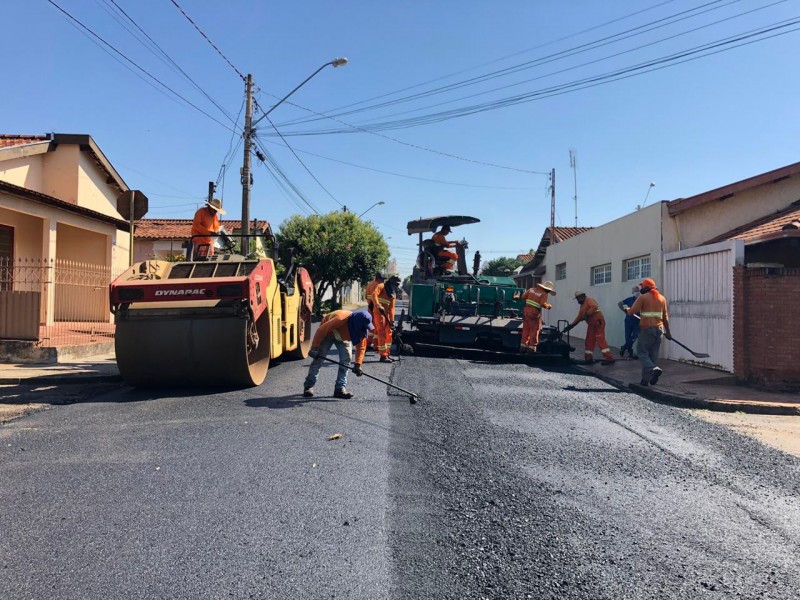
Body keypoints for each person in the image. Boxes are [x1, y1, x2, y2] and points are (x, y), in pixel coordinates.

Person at [303, 309, 374, 399]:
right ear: (357, 323)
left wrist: (358, 364)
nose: (365, 329)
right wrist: (314, 348)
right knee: (319, 359)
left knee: (346, 361)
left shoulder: (362, 329)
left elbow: (361, 347)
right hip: (328, 333)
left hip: (342, 338)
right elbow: (321, 330)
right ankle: (308, 386)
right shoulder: (341, 319)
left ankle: (340, 389)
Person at [625, 277, 671, 386]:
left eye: (642, 286)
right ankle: (645, 380)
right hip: (659, 330)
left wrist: (626, 309)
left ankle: (653, 368)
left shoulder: (643, 298)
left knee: (641, 352)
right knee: (653, 355)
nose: (641, 288)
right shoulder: (662, 298)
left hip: (646, 330)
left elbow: (632, 311)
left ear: (646, 287)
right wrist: (668, 332)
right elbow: (665, 318)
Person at [563, 291, 616, 364]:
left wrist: (587, 314)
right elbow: (579, 317)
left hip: (598, 323)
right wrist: (571, 326)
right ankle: (588, 358)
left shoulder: (589, 300)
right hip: (591, 325)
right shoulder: (582, 306)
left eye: (578, 298)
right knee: (589, 341)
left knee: (600, 340)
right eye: (577, 299)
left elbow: (594, 306)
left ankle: (609, 359)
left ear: (582, 296)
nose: (578, 300)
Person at [371, 275, 401, 363]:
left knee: (389, 333)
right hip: (379, 313)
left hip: (386, 314)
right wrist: (378, 305)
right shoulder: (381, 286)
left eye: (397, 285)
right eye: (395, 284)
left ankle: (387, 354)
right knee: (382, 332)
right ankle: (383, 356)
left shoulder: (393, 294)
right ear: (391, 282)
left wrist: (392, 321)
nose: (396, 286)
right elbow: (374, 295)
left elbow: (392, 309)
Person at [519, 280, 556, 353]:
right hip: (534, 313)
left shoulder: (531, 289)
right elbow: (543, 304)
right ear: (547, 289)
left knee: (526, 329)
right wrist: (549, 306)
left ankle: (523, 347)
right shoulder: (544, 293)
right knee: (534, 330)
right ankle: (532, 349)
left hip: (526, 311)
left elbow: (523, 297)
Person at [617, 285, 641, 359]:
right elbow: (620, 303)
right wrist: (626, 311)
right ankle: (630, 352)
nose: (637, 293)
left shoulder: (641, 300)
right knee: (628, 337)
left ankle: (623, 348)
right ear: (632, 292)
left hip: (637, 322)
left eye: (638, 291)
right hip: (628, 321)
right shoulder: (629, 299)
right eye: (635, 291)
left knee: (634, 336)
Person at [364, 273, 384, 352]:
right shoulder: (378, 285)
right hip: (376, 308)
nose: (383, 281)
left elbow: (366, 296)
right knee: (377, 327)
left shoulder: (369, 284)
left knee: (370, 326)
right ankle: (376, 345)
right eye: (382, 279)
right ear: (379, 279)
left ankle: (368, 344)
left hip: (370, 307)